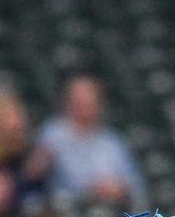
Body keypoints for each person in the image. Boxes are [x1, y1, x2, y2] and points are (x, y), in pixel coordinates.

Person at [34, 72, 146, 207]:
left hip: (113, 211)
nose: (84, 101)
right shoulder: (53, 133)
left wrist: (120, 188)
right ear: (67, 101)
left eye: (89, 96)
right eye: (78, 98)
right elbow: (39, 177)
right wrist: (92, 188)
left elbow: (136, 186)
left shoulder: (111, 141)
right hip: (70, 214)